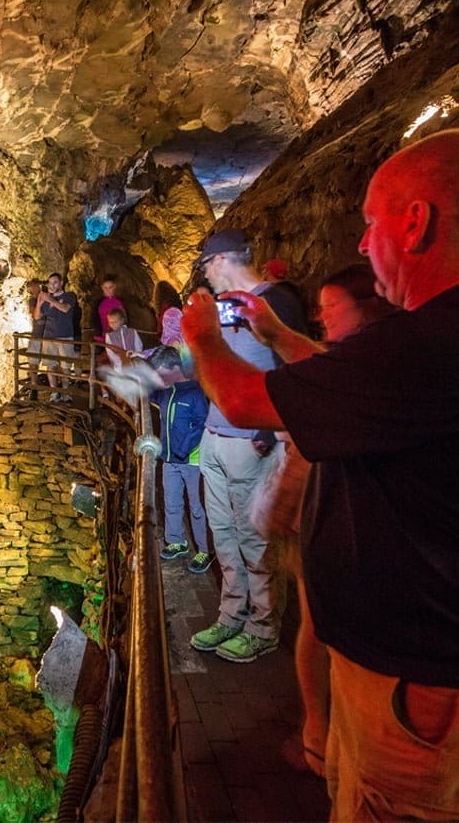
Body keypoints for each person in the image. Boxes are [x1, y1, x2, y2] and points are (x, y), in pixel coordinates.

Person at [181, 128, 459, 822]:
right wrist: (280, 338)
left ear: (416, 220)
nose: (365, 245)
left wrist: (203, 338)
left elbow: (246, 400)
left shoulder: (430, 344)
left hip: (434, 692)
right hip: (437, 677)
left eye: (371, 223)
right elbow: (348, 383)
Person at [281, 262, 394, 778]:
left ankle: (327, 739)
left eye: (332, 308)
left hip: (349, 534)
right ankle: (322, 730)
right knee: (317, 628)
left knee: (326, 631)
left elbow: (242, 402)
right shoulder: (359, 361)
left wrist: (205, 337)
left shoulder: (371, 368)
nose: (321, 316)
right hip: (335, 529)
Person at [188, 227, 308, 662]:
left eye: (206, 265)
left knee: (254, 540)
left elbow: (293, 367)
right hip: (216, 437)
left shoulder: (276, 302)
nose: (206, 274)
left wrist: (265, 433)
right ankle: (231, 614)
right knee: (224, 536)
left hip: (251, 443)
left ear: (221, 260)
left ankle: (263, 625)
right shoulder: (223, 307)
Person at [147, 345, 213, 573]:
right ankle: (177, 540)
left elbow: (201, 424)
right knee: (172, 500)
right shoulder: (167, 390)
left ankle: (204, 549)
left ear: (175, 368)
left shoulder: (195, 393)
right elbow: (148, 392)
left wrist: (184, 449)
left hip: (191, 460)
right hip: (169, 458)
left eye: (162, 372)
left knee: (197, 506)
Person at [36, 272, 78, 403]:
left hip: (65, 336)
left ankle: (65, 392)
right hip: (49, 337)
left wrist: (49, 299)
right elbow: (37, 316)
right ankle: (54, 392)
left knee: (66, 366)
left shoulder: (69, 296)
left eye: (55, 282)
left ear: (61, 283)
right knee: (50, 365)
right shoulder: (47, 300)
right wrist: (39, 302)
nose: (52, 285)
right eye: (50, 283)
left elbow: (65, 309)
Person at [25, 278, 47, 398]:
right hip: (37, 335)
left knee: (53, 362)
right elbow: (35, 314)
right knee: (33, 362)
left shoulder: (48, 298)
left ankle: (57, 390)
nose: (32, 290)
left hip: (49, 336)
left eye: (34, 287)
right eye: (30, 288)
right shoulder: (32, 301)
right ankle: (34, 388)